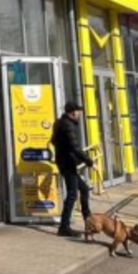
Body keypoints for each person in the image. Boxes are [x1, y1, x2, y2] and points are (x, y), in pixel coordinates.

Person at [52, 101, 93, 238]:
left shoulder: (60, 123)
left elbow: (53, 141)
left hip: (65, 162)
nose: (79, 113)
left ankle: (88, 220)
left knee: (84, 189)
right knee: (72, 194)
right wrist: (89, 162)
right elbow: (75, 148)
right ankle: (64, 227)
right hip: (67, 163)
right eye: (78, 111)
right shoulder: (68, 125)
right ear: (73, 112)